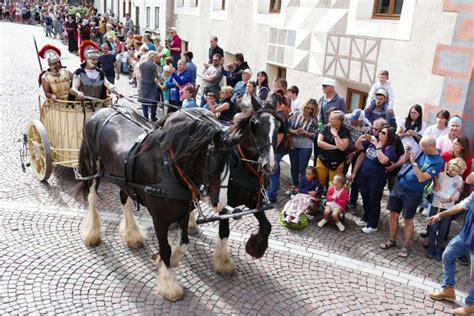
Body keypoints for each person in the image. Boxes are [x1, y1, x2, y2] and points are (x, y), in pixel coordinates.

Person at [380, 136, 444, 258]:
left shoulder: (438, 162)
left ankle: (406, 246)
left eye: (423, 147)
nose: (421, 148)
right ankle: (392, 240)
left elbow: (422, 178)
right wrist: (408, 153)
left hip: (413, 192)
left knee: (407, 219)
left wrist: (414, 162)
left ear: (431, 147)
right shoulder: (422, 151)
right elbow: (405, 161)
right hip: (400, 185)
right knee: (393, 214)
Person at [428, 172, 474, 316]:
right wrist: (440, 215)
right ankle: (448, 289)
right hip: (466, 236)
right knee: (448, 255)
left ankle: (471, 305)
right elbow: (462, 204)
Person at [354, 125, 398, 233]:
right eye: (380, 132)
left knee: (374, 200)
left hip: (377, 177)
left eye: (384, 133)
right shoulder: (373, 141)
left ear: (389, 136)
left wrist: (377, 146)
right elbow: (358, 147)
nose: (380, 134)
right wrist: (360, 139)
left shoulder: (389, 148)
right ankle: (366, 217)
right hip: (365, 175)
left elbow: (383, 161)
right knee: (365, 197)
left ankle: (372, 224)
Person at [426, 158, 465, 260]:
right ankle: (431, 246)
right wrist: (448, 197)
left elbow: (457, 193)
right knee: (433, 227)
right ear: (448, 167)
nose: (454, 172)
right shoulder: (440, 176)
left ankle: (438, 248)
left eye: (457, 171)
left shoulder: (459, 179)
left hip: (448, 208)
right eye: (452, 169)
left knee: (443, 229)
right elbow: (434, 191)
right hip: (436, 205)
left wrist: (454, 197)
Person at [287, 99, 319, 193]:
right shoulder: (296, 114)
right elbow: (287, 127)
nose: (309, 110)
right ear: (304, 106)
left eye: (311, 109)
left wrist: (305, 133)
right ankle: (295, 185)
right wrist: (294, 131)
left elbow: (315, 135)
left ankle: (302, 188)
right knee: (294, 166)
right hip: (293, 143)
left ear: (315, 110)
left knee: (303, 168)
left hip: (306, 145)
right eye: (307, 107)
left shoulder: (314, 119)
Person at [316, 110, 350, 190]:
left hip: (337, 162)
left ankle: (331, 198)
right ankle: (319, 196)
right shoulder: (326, 127)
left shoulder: (344, 131)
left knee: (334, 183)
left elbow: (343, 148)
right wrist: (335, 146)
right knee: (320, 180)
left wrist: (335, 135)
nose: (329, 120)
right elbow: (319, 143)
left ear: (339, 121)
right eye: (330, 118)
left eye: (332, 119)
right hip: (323, 159)